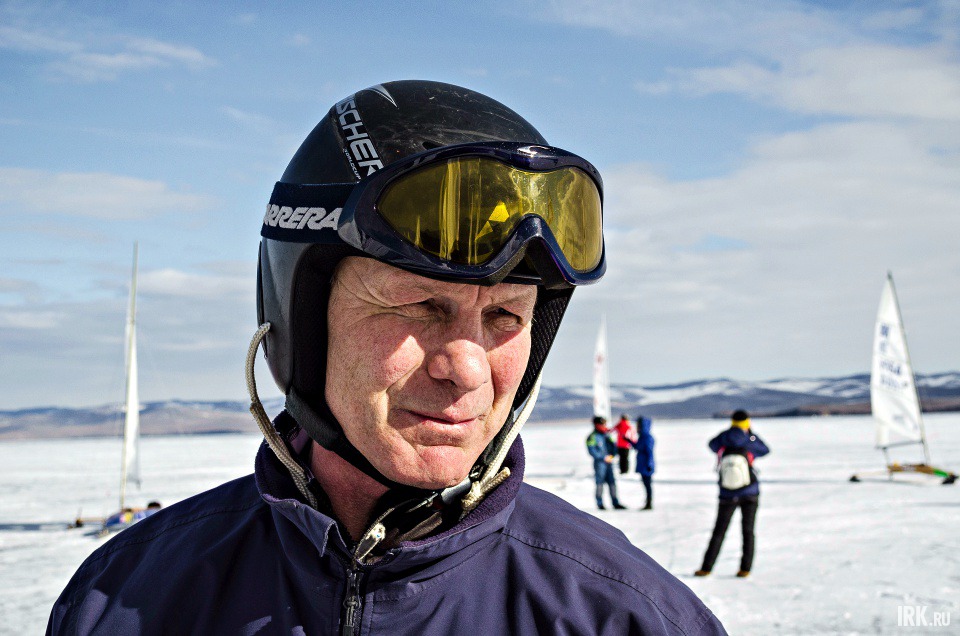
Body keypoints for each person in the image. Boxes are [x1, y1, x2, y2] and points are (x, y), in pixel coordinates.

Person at [49, 80, 725, 635]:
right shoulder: (126, 600)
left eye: (505, 317)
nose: (467, 370)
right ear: (301, 320)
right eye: (420, 307)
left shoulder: (625, 616)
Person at [695, 409, 769, 579]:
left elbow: (711, 445)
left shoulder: (724, 437)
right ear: (746, 422)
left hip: (727, 493)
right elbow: (764, 450)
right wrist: (750, 435)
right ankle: (745, 569)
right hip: (750, 491)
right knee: (748, 531)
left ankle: (706, 568)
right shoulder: (749, 439)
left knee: (719, 531)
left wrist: (728, 433)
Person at [586, 416, 627, 510]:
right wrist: (603, 457)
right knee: (599, 483)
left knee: (612, 482)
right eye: (602, 424)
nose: (604, 426)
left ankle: (615, 503)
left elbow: (613, 446)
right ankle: (600, 503)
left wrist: (613, 454)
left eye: (604, 424)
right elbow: (592, 451)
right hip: (600, 464)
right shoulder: (592, 437)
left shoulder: (607, 435)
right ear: (596, 425)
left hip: (609, 463)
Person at [632, 415, 655, 510]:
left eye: (638, 426)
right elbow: (638, 447)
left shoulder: (647, 438)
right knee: (645, 484)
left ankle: (649, 503)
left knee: (647, 484)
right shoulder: (642, 437)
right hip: (642, 464)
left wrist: (649, 464)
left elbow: (649, 452)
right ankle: (648, 502)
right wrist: (629, 441)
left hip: (646, 465)